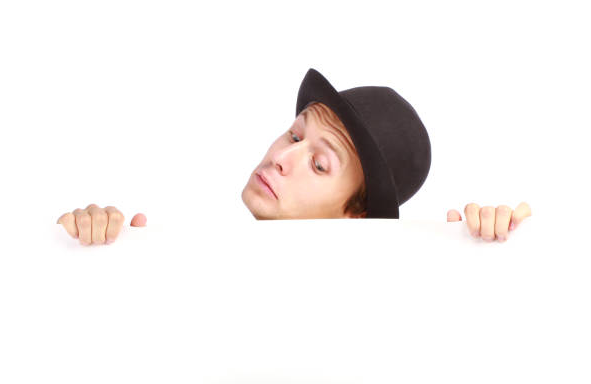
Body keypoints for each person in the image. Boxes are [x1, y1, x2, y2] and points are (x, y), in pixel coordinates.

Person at [57, 68, 531, 245]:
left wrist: (489, 247)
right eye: (294, 134)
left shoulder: (384, 311)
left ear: (356, 214)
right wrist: (94, 249)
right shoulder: (193, 269)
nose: (283, 156)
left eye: (320, 164)